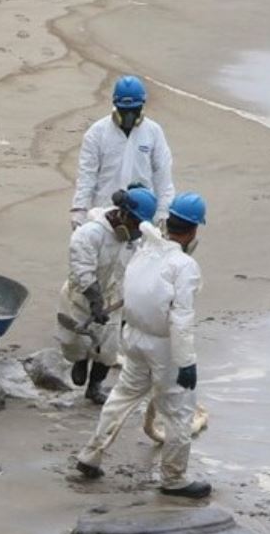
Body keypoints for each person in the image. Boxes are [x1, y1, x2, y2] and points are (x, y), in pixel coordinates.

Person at [73, 192, 211, 500]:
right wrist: (186, 362)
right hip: (164, 346)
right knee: (179, 410)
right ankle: (174, 478)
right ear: (192, 231)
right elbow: (181, 318)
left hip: (133, 339)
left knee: (123, 396)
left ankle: (90, 454)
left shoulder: (145, 249)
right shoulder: (184, 265)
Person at [57, 187, 156, 407]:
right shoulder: (89, 234)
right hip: (81, 296)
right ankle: (80, 360)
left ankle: (95, 387)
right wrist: (94, 300)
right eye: (135, 224)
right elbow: (82, 270)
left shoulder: (135, 240)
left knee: (109, 350)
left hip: (113, 298)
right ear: (124, 214)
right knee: (74, 341)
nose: (138, 231)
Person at [71, 77, 174, 229]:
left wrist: (163, 212)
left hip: (141, 215)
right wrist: (79, 209)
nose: (129, 116)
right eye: (125, 111)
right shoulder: (96, 133)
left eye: (134, 110)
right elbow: (87, 174)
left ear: (142, 106)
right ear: (115, 105)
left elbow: (163, 175)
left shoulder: (153, 132)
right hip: (105, 213)